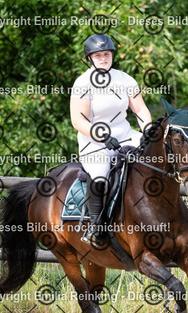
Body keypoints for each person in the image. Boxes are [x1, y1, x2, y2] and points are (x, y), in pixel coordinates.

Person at [70, 34, 152, 247]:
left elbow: (140, 109)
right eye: (98, 55)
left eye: (106, 54)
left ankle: (177, 210)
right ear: (90, 58)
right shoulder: (83, 83)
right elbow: (78, 120)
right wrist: (103, 137)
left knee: (156, 157)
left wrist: (148, 132)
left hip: (125, 134)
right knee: (100, 176)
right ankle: (95, 227)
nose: (103, 59)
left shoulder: (125, 79)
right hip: (94, 141)